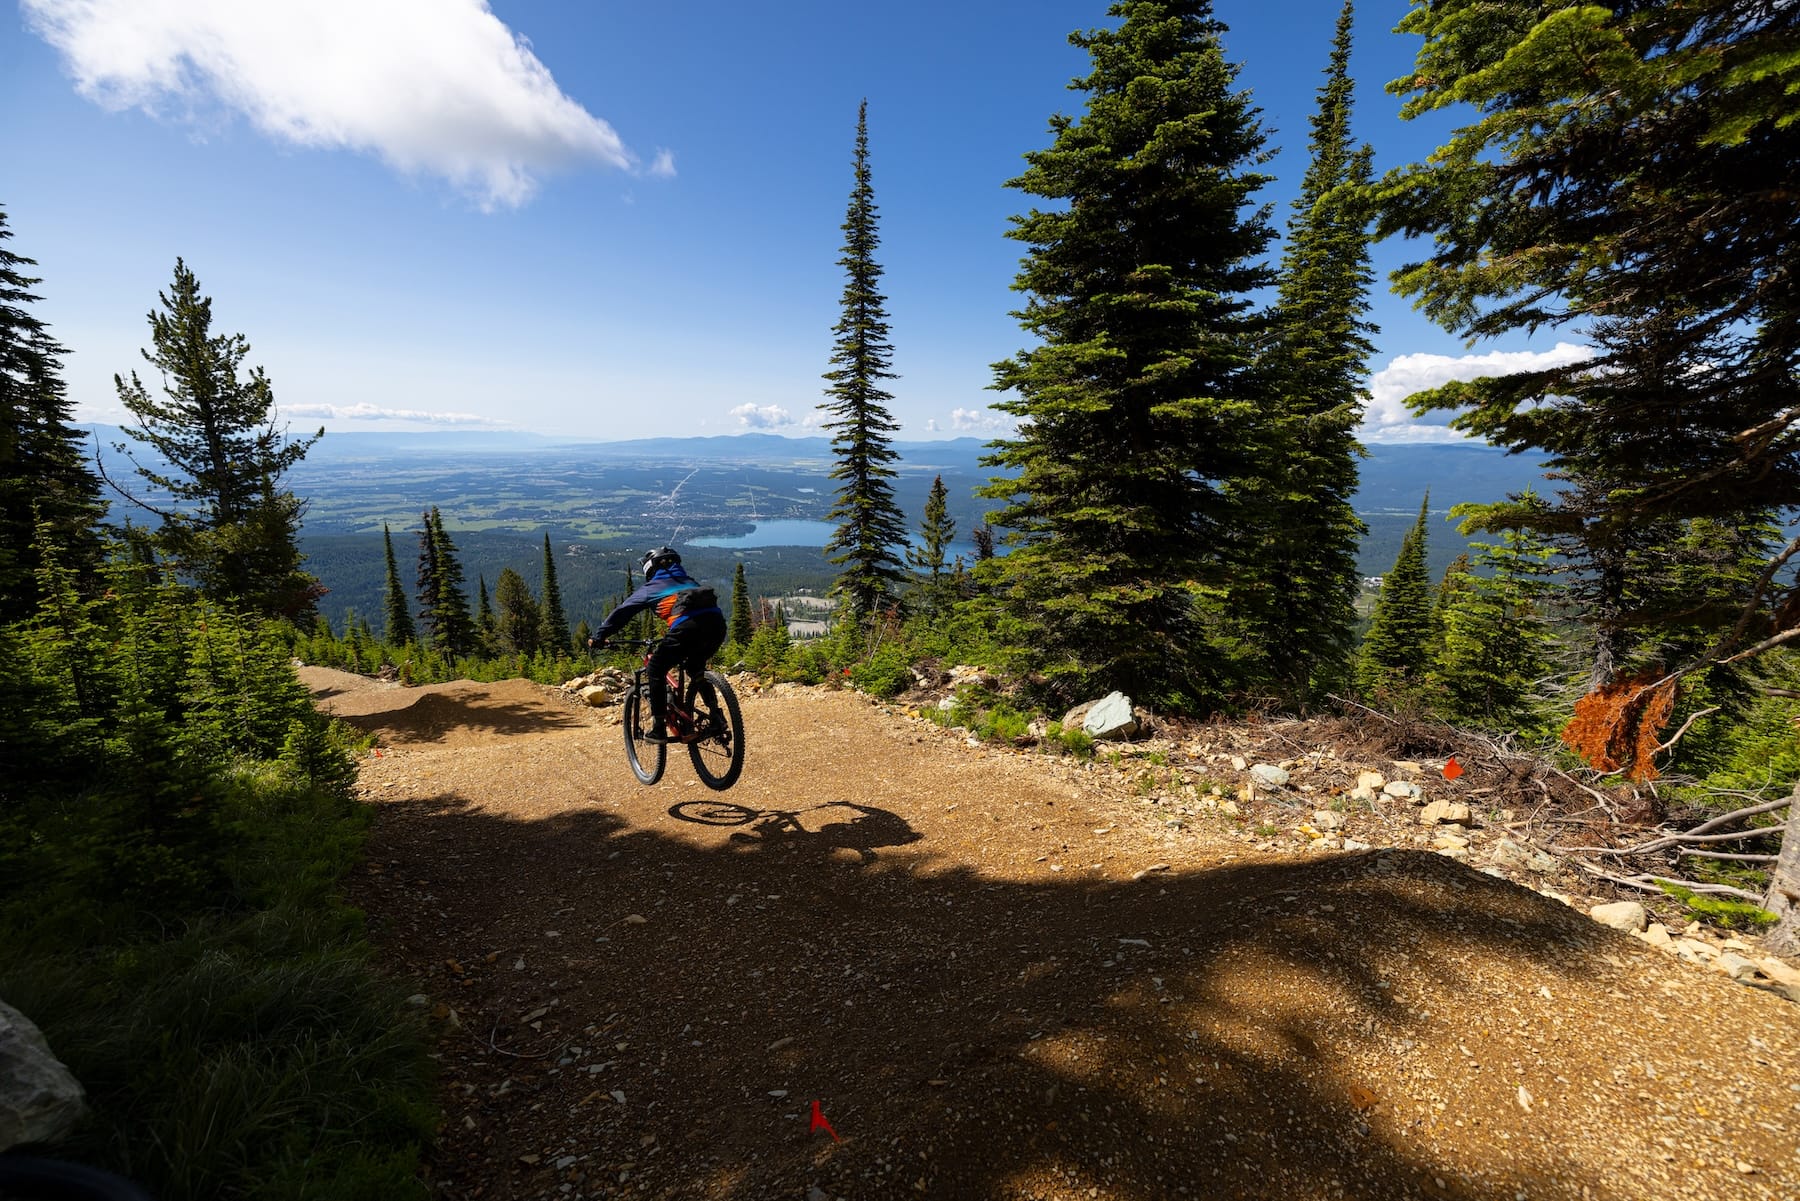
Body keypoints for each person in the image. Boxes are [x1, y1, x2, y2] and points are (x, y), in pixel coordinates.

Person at [588, 547, 726, 742]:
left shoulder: (652, 588)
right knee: (696, 668)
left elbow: (622, 612)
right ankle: (716, 716)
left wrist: (599, 636)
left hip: (685, 629)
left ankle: (659, 727)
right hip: (717, 626)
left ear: (649, 569)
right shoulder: (690, 582)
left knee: (655, 669)